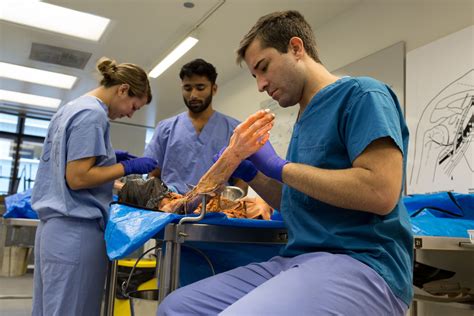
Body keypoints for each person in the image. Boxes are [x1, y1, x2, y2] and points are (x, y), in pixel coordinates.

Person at [158, 10, 413, 316]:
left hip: (364, 262)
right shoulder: (304, 121)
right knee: (177, 307)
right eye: (255, 76)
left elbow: (381, 192)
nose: (261, 85)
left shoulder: (362, 95)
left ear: (296, 48)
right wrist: (253, 174)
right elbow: (297, 202)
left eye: (263, 68)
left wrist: (280, 167)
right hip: (298, 258)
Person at [31, 57, 158, 316]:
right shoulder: (93, 114)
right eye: (134, 106)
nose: (130, 114)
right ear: (122, 89)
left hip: (53, 231)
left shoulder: (72, 108)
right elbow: (78, 178)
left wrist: (108, 157)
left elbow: (70, 167)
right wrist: (127, 168)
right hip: (76, 233)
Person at [144, 58, 247, 194]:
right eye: (188, 88)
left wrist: (232, 205)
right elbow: (153, 175)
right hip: (171, 210)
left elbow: (242, 179)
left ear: (214, 89)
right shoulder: (165, 128)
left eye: (200, 87)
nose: (193, 95)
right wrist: (163, 202)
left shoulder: (234, 129)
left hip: (218, 210)